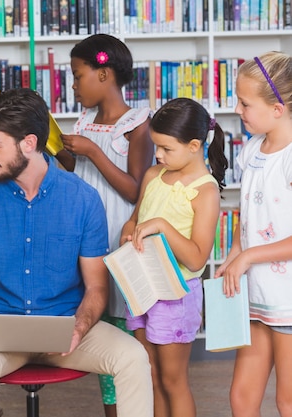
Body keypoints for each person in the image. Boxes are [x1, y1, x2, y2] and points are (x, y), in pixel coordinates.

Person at [0, 87, 154, 417]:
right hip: (0, 331)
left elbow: (97, 287)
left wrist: (79, 328)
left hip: (67, 328)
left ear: (29, 143)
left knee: (132, 357)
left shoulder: (83, 200)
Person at [56, 33, 154, 417]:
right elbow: (71, 171)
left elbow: (135, 188)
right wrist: (60, 151)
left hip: (121, 242)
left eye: (78, 76)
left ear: (104, 73)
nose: (74, 85)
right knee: (100, 326)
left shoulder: (138, 124)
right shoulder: (84, 121)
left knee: (125, 329)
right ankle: (111, 408)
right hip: (88, 242)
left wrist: (93, 151)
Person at [121, 97, 228, 417]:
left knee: (172, 380)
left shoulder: (205, 191)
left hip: (176, 297)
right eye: (157, 146)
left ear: (194, 145)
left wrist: (162, 227)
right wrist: (128, 233)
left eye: (167, 148)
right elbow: (135, 218)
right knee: (149, 376)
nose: (158, 154)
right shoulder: (154, 175)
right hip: (141, 288)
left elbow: (196, 259)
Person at [215, 52, 292, 417]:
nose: (238, 110)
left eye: (245, 103)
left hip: (288, 301)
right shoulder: (249, 152)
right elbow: (248, 218)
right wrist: (234, 253)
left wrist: (247, 257)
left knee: (287, 401)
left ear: (277, 109)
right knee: (242, 399)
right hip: (256, 298)